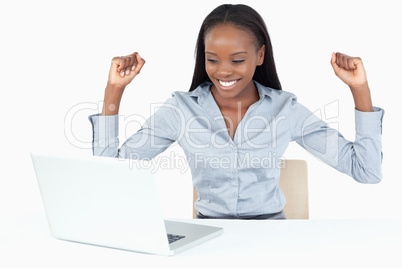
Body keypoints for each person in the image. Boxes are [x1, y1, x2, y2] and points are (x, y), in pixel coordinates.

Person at [89, 4, 384, 220]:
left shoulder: (285, 110)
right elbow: (107, 174)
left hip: (272, 237)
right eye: (212, 59)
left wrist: (360, 90)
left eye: (238, 59)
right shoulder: (181, 110)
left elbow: (366, 170)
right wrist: (114, 89)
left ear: (260, 56)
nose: (224, 71)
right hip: (209, 237)